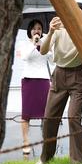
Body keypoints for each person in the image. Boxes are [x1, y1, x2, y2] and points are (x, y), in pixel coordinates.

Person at [36, 3, 82, 164]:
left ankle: (78, 161)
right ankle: (46, 158)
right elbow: (43, 51)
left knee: (74, 117)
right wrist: (51, 31)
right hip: (59, 74)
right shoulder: (59, 28)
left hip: (79, 75)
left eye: (81, 15)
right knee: (49, 118)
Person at [18, 19, 52, 156]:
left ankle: (46, 141)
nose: (37, 30)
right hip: (28, 80)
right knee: (26, 114)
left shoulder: (46, 43)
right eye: (34, 28)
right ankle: (26, 141)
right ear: (30, 31)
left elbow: (52, 58)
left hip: (43, 80)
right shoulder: (24, 43)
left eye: (39, 28)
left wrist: (42, 45)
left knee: (46, 113)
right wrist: (34, 44)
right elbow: (25, 57)